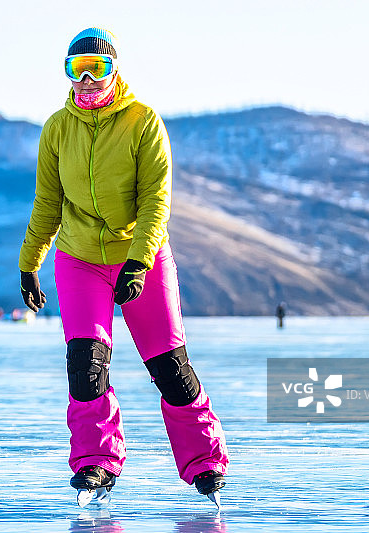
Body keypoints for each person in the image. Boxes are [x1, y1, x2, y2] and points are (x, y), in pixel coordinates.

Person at [18, 27, 228, 500]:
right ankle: (96, 462)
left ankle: (204, 461)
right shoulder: (57, 128)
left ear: (115, 70)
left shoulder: (143, 121)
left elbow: (157, 201)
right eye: (78, 69)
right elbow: (47, 201)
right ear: (68, 74)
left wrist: (138, 261)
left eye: (98, 68)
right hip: (80, 259)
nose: (88, 80)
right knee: (85, 364)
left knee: (171, 368)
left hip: (142, 257)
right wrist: (29, 263)